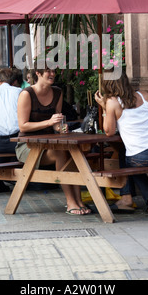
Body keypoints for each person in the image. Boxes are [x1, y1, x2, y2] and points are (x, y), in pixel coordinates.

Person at [16, 60, 91, 215]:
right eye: (48, 71)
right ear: (38, 73)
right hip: (28, 146)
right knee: (61, 153)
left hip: (50, 142)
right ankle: (70, 201)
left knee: (73, 151)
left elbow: (56, 122)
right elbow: (23, 126)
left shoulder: (57, 92)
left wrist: (60, 127)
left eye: (53, 71)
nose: (52, 74)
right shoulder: (27, 94)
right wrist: (49, 122)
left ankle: (78, 200)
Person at [94, 71, 148, 215]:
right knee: (127, 156)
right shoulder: (143, 95)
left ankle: (129, 199)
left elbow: (109, 132)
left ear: (108, 84)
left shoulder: (112, 102)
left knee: (131, 161)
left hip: (140, 157)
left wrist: (104, 107)